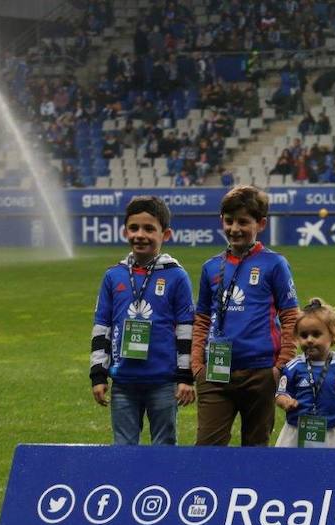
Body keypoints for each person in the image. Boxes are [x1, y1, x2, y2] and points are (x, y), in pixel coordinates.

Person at [191, 185, 299, 446]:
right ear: (221, 221)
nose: (234, 228)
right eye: (229, 221)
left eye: (243, 222)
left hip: (260, 371)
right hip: (215, 373)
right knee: (207, 447)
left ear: (260, 224)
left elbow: (290, 316)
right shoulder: (210, 267)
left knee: (255, 449)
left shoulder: (274, 264)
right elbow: (202, 318)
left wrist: (280, 365)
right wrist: (197, 365)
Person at [89, 196, 196, 445]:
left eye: (149, 229)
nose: (140, 235)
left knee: (164, 448)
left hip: (163, 382)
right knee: (123, 450)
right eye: (134, 228)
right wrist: (98, 374)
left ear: (165, 234)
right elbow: (101, 327)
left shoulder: (177, 276)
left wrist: (184, 376)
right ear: (124, 231)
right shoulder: (113, 276)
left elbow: (186, 329)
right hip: (123, 383)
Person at [275, 298, 335, 448]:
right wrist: (286, 402)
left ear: (332, 335)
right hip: (297, 432)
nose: (309, 340)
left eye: (316, 334)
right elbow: (281, 393)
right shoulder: (293, 367)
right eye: (303, 335)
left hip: (334, 432)